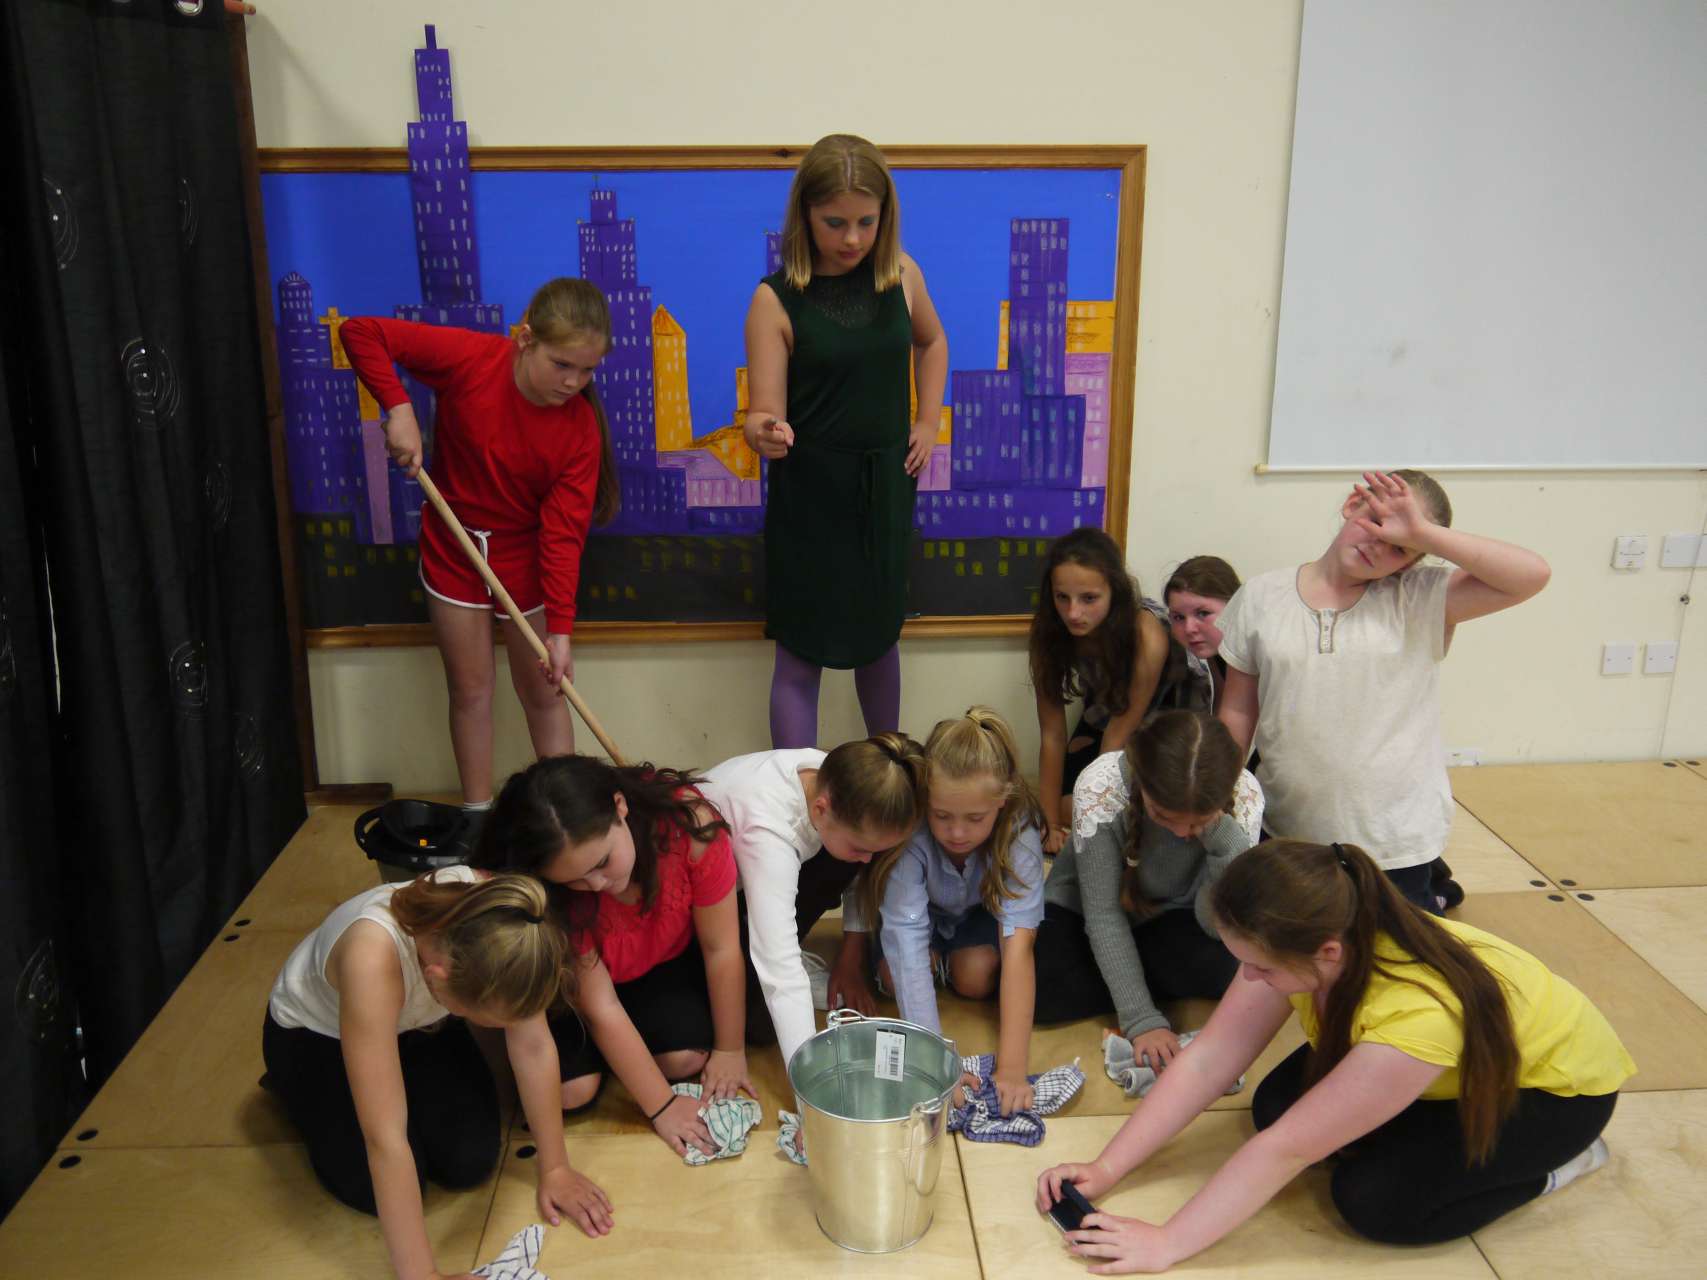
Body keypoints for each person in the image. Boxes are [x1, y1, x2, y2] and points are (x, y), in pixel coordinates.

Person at [1036, 839, 1634, 1270]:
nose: (1246, 978)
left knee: (1374, 1202)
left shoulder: (1417, 1014)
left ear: (1326, 954)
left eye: (1259, 968)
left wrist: (1168, 1242)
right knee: (1274, 1106)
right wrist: (1107, 1168)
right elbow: (1210, 1057)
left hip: (1552, 1097)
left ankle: (1557, 1167)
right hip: (1433, 1064)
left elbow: (1286, 1150)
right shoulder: (1316, 932)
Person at [340, 280, 620, 848]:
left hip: (527, 558)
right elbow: (360, 332)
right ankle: (474, 823)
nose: (573, 382)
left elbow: (562, 537)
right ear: (526, 339)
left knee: (546, 693)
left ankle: (570, 828)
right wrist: (398, 407)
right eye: (562, 364)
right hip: (454, 547)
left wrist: (560, 632)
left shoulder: (579, 430)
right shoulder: (472, 358)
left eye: (587, 371)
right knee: (470, 690)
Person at [1216, 469, 1551, 911]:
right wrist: (1219, 789)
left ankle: (1433, 890)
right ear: (1353, 504)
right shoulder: (1261, 596)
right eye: (1377, 522)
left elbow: (1532, 574)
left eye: (1400, 547)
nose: (1380, 545)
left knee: (1391, 951)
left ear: (1412, 561)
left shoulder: (1419, 597)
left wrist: (1423, 534)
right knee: (1294, 942)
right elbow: (1239, 710)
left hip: (1394, 838)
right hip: (1290, 824)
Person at [262, 869, 612, 1280]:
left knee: (469, 1162)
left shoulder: (506, 922)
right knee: (370, 1188)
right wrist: (422, 1275)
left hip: (415, 1025)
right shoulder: (370, 960)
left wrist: (555, 1168)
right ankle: (293, 1091)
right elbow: (385, 1139)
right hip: (319, 1038)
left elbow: (533, 1045)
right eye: (494, 1023)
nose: (507, 1029)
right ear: (437, 981)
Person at [742, 133, 948, 749]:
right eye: (835, 223)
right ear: (805, 214)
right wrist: (764, 433)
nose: (853, 238)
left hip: (884, 489)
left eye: (866, 221)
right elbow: (761, 413)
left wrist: (928, 421)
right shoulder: (774, 299)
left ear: (885, 216)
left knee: (879, 645)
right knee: (800, 655)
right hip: (809, 495)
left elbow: (932, 342)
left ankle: (892, 777)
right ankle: (794, 790)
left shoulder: (903, 275)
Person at [472, 755, 747, 1159]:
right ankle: (608, 1058)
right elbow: (600, 1006)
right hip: (573, 995)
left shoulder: (690, 826)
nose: (599, 884)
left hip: (655, 966)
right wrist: (663, 1107)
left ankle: (619, 1057)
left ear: (620, 806)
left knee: (685, 1059)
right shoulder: (554, 895)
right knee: (571, 1092)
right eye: (575, 879)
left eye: (602, 862)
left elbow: (721, 949)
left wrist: (730, 1049)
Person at [841, 707, 1046, 1115]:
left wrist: (1012, 1068)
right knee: (893, 977)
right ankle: (937, 965)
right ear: (925, 803)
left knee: (976, 976)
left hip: (974, 917)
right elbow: (906, 940)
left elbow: (1018, 945)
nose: (957, 833)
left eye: (975, 818)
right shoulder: (912, 833)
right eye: (942, 816)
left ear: (1002, 803)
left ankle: (949, 966)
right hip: (920, 919)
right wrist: (934, 1064)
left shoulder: (1019, 831)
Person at [1032, 711, 1262, 1070]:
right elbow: (1103, 915)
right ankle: (1135, 980)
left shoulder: (1244, 796)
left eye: (1198, 823)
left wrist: (1224, 843)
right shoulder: (1102, 786)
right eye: (1165, 816)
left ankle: (1122, 974)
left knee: (1226, 965)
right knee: (1036, 987)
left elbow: (1213, 925)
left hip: (1174, 917)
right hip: (1088, 911)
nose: (1182, 833)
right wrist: (1141, 1018)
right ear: (1142, 784)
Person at [697, 733, 926, 1068]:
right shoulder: (769, 833)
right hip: (697, 912)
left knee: (848, 856)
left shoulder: (838, 776)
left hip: (745, 880)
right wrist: (812, 1080)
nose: (867, 860)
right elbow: (779, 969)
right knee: (759, 1022)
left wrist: (851, 958)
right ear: (821, 809)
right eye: (861, 849)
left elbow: (859, 858)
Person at [1030, 527, 1174, 854]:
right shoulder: (1048, 629)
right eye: (1062, 597)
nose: (1073, 613)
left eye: (1089, 599)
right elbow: (1052, 734)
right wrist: (1049, 826)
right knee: (1060, 804)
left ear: (1115, 592)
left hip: (1165, 721)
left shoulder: (1146, 634)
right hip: (1105, 713)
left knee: (1123, 812)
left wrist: (1090, 817)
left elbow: (1118, 736)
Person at [1160, 556, 1242, 716]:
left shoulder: (1255, 655)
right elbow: (1221, 715)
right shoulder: (1216, 651)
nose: (1189, 629)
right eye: (1178, 617)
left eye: (1203, 613)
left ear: (1235, 605)